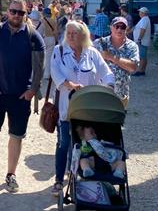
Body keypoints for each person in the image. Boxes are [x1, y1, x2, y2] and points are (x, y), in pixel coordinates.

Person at [0, 0, 45, 193]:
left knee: (16, 135)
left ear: (26, 14)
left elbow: (40, 67)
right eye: (14, 12)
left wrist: (33, 90)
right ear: (8, 12)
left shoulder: (33, 36)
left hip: (20, 95)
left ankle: (10, 174)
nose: (17, 16)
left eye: (21, 13)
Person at [49, 20, 114, 197]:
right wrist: (69, 84)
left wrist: (109, 86)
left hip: (88, 109)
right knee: (63, 144)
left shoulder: (92, 53)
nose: (70, 35)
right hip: (67, 107)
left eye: (74, 33)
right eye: (68, 32)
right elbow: (55, 73)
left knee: (85, 143)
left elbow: (106, 72)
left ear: (82, 35)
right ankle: (58, 180)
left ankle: (81, 174)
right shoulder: (59, 51)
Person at [94, 17, 139, 108]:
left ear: (126, 29)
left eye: (122, 27)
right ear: (111, 27)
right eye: (116, 26)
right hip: (101, 93)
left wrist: (111, 57)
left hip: (121, 95)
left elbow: (133, 67)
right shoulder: (98, 43)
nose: (119, 29)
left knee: (118, 121)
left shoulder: (132, 46)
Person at [132, 7, 152, 76]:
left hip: (142, 41)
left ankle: (140, 71)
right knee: (143, 56)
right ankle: (142, 70)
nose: (139, 13)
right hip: (143, 41)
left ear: (143, 13)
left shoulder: (144, 19)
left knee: (142, 57)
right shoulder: (145, 19)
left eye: (140, 12)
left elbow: (142, 29)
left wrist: (139, 38)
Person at [41, 8, 59, 78]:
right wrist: (56, 40)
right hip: (51, 38)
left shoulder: (41, 20)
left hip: (43, 38)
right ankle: (47, 74)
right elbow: (56, 32)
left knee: (42, 57)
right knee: (49, 57)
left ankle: (41, 72)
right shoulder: (54, 20)